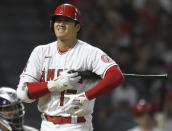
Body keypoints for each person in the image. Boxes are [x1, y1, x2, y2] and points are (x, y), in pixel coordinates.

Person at [16, 3, 124, 131]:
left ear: (77, 26)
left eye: (66, 21)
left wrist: (85, 97)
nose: (61, 24)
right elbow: (23, 92)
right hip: (47, 124)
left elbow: (116, 75)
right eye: (58, 20)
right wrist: (55, 84)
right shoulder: (40, 52)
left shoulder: (90, 52)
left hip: (77, 124)